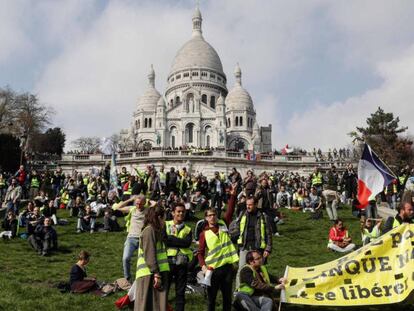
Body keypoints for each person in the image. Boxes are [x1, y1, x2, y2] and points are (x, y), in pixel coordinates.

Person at [198, 184, 239, 311]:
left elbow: (230, 211)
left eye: (214, 214)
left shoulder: (223, 224)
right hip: (213, 269)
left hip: (227, 268)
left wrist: (233, 195)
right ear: (206, 217)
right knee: (211, 300)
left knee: (227, 299)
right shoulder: (204, 233)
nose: (212, 217)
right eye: (209, 215)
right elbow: (200, 252)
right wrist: (203, 266)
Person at [135, 205, 170, 311]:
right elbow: (150, 253)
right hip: (149, 275)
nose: (165, 221)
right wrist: (156, 274)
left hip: (155, 274)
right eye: (164, 218)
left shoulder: (155, 231)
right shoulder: (149, 230)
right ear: (159, 217)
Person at [235, 196, 272, 288]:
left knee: (259, 271)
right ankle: (238, 291)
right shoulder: (242, 214)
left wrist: (268, 249)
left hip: (258, 248)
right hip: (244, 246)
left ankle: (262, 291)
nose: (248, 207)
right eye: (247, 204)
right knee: (241, 270)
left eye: (250, 205)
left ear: (256, 204)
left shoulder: (263, 216)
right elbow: (236, 227)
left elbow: (268, 234)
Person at [165, 203, 193, 311]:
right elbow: (165, 240)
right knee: (164, 290)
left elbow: (187, 243)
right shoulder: (166, 224)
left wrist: (171, 238)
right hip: (167, 262)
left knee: (180, 292)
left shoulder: (188, 229)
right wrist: (178, 241)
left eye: (183, 212)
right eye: (178, 211)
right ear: (173, 213)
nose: (181, 213)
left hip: (182, 263)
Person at [114, 194, 147, 282]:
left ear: (144, 203)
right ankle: (127, 279)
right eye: (137, 203)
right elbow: (117, 207)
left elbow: (156, 205)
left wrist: (147, 199)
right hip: (131, 238)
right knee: (125, 258)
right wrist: (129, 200)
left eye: (140, 203)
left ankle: (145, 278)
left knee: (145, 260)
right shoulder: (132, 209)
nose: (138, 205)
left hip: (143, 238)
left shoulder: (148, 211)